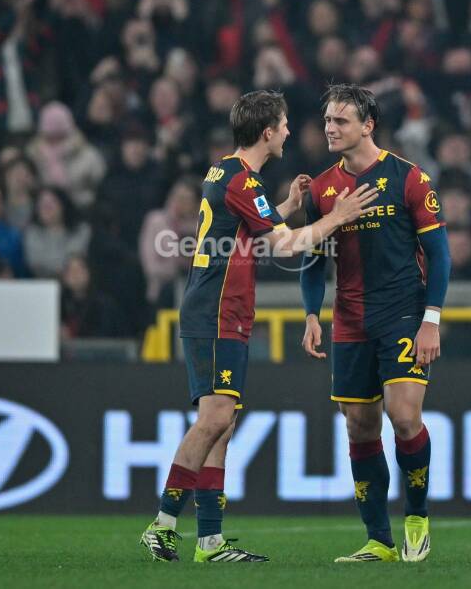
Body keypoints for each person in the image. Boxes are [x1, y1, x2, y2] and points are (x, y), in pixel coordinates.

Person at [140, 90, 379, 563]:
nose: (290, 132)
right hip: (216, 311)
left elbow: (249, 228)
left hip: (220, 310)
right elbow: (283, 246)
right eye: (284, 125)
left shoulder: (226, 172)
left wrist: (286, 206)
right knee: (214, 419)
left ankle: (210, 542)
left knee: (222, 424)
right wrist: (338, 217)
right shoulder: (243, 182)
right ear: (268, 132)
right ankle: (162, 524)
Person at [299, 84, 450, 563]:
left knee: (404, 417)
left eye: (340, 120)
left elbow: (440, 255)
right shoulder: (320, 189)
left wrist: (431, 320)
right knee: (360, 428)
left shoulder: (410, 178)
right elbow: (312, 262)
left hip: (403, 313)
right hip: (349, 320)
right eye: (327, 120)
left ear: (368, 125)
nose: (330, 128)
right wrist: (311, 314)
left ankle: (417, 517)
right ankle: (379, 540)